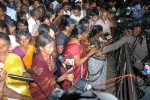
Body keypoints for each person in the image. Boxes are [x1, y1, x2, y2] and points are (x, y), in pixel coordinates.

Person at [29, 34, 73, 100]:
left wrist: (53, 66)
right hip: (40, 89)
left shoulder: (50, 54)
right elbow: (47, 84)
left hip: (51, 82)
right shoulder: (39, 61)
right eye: (49, 47)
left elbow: (52, 71)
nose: (52, 49)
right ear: (41, 48)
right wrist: (63, 77)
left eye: (53, 46)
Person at [61, 24, 97, 90]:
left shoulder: (79, 40)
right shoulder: (74, 46)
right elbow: (77, 63)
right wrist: (89, 54)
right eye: (86, 33)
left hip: (81, 70)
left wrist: (88, 49)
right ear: (81, 34)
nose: (87, 35)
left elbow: (80, 53)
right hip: (75, 73)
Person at [0, 32, 31, 99]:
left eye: (3, 46)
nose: (0, 49)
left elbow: (22, 72)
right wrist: (25, 98)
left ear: (10, 46)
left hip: (24, 91)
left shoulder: (16, 58)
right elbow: (5, 90)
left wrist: (26, 75)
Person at [88, 25, 111, 89]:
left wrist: (106, 43)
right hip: (95, 63)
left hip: (101, 61)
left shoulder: (99, 38)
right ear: (98, 33)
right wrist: (104, 45)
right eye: (101, 31)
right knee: (95, 80)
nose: (103, 32)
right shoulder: (91, 40)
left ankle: (99, 91)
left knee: (101, 80)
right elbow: (96, 53)